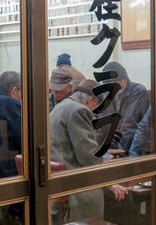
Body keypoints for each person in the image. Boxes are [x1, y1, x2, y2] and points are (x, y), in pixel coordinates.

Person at [50, 79, 129, 223]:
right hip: (76, 187)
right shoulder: (79, 110)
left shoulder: (61, 106)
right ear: (92, 99)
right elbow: (89, 158)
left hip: (60, 182)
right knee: (126, 199)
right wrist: (109, 182)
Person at [95, 62, 150, 156]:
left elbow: (133, 125)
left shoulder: (138, 92)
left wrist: (124, 154)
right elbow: (102, 125)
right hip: (113, 146)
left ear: (124, 80)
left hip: (134, 145)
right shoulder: (106, 95)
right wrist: (96, 149)